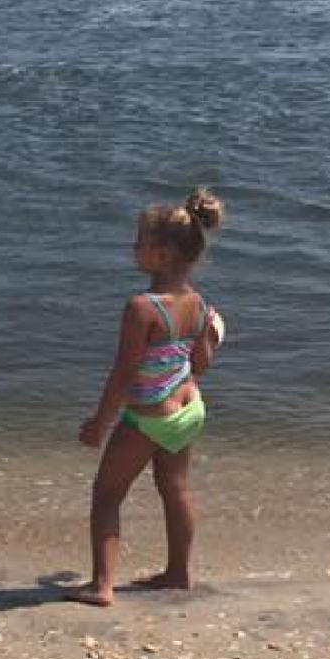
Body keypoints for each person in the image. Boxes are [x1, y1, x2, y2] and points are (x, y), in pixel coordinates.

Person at [67, 189, 225, 607]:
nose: (132, 248)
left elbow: (123, 374)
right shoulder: (198, 304)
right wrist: (210, 339)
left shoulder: (142, 307)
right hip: (189, 409)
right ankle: (179, 573)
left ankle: (102, 586)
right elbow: (200, 363)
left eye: (139, 242)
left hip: (150, 416)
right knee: (176, 489)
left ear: (163, 253)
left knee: (107, 495)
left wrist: (100, 425)